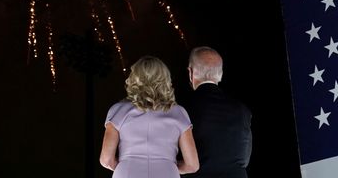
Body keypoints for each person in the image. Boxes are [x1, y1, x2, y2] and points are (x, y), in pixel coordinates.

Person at [100, 56, 199, 177]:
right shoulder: (179, 113)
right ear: (165, 80)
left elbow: (106, 160)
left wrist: (126, 167)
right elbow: (192, 165)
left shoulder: (118, 110)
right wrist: (169, 166)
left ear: (133, 79)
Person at [184, 47, 252, 178]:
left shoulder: (183, 109)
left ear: (191, 73)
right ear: (220, 74)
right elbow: (244, 159)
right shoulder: (242, 110)